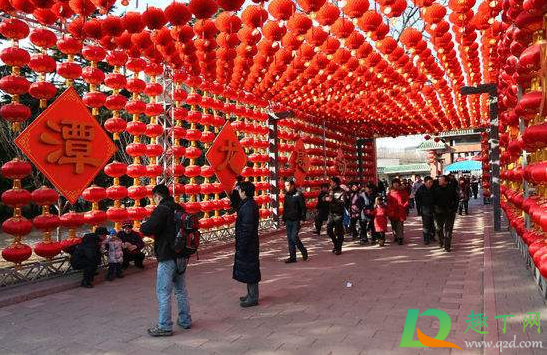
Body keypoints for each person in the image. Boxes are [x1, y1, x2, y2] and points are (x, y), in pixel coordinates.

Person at [141, 184, 191, 337]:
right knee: (181, 290)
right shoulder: (179, 207)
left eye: (154, 198)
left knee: (163, 292)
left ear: (158, 196)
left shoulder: (162, 209)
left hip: (167, 255)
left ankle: (164, 326)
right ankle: (185, 320)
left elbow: (147, 228)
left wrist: (143, 224)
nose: (154, 201)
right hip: (182, 254)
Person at [233, 181, 261, 307]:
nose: (238, 192)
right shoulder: (247, 204)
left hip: (249, 243)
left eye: (239, 190)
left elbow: (247, 228)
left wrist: (242, 245)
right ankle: (250, 294)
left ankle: (253, 297)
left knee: (251, 269)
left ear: (244, 192)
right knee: (249, 268)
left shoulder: (248, 206)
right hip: (249, 242)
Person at [282, 179, 308, 263]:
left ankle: (303, 250)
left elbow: (303, 208)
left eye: (287, 185)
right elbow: (285, 208)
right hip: (288, 220)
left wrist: (303, 219)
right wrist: (283, 218)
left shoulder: (299, 195)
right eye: (285, 185)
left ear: (292, 185)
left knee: (294, 237)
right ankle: (292, 257)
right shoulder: (286, 195)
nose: (286, 187)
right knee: (290, 239)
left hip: (296, 220)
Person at [433, 175, 459, 252]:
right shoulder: (435, 189)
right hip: (438, 212)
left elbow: (456, 200)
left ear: (446, 181)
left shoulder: (452, 189)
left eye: (441, 180)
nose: (439, 181)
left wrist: (454, 209)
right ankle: (441, 241)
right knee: (438, 228)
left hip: (449, 212)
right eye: (439, 180)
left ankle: (447, 246)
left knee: (448, 229)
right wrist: (434, 209)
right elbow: (432, 200)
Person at [326, 177, 347, 255]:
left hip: (339, 214)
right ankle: (336, 244)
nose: (330, 183)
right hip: (331, 214)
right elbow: (327, 198)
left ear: (335, 183)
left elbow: (343, 203)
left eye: (331, 182)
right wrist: (325, 198)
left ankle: (339, 248)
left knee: (339, 232)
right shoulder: (331, 191)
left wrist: (333, 199)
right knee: (329, 231)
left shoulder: (342, 192)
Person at [386, 178, 409, 245]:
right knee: (394, 225)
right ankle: (396, 236)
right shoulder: (390, 192)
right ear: (392, 184)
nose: (396, 184)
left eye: (397, 183)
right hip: (392, 211)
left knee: (400, 225)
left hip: (401, 211)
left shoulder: (403, 191)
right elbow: (388, 202)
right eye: (394, 183)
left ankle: (400, 238)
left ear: (399, 184)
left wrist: (404, 206)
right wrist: (390, 209)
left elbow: (407, 200)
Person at [415, 176, 436, 245]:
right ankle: (426, 239)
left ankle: (432, 236)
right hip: (425, 209)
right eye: (429, 182)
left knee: (432, 224)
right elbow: (417, 199)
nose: (430, 184)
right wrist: (421, 206)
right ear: (425, 182)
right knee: (426, 225)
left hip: (433, 209)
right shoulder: (421, 189)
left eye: (431, 182)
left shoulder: (434, 188)